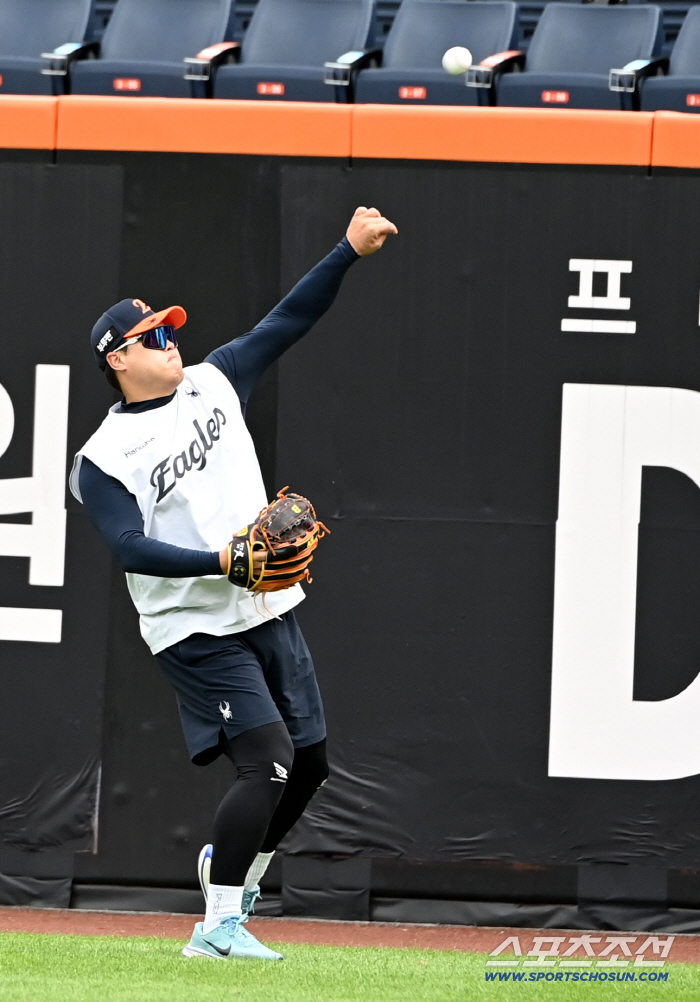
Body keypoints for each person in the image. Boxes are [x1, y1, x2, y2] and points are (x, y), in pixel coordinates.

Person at [69, 206, 398, 962]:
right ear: (117, 358)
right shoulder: (105, 456)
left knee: (310, 765)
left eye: (169, 327)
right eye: (152, 335)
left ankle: (236, 879)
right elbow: (125, 545)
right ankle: (214, 929)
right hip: (193, 624)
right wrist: (220, 562)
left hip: (267, 602)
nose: (169, 339)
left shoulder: (214, 382)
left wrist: (347, 251)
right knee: (269, 760)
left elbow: (288, 321)